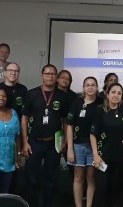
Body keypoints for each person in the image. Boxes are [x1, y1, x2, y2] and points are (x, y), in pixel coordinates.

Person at [21, 64, 69, 207]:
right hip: (34, 142)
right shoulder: (32, 93)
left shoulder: (62, 96)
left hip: (53, 143)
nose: (50, 76)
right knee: (32, 178)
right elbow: (24, 118)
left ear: (56, 77)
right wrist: (25, 141)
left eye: (53, 74)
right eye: (47, 73)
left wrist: (65, 140)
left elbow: (65, 120)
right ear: (42, 75)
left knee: (52, 179)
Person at [90, 83, 123, 207]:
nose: (116, 95)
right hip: (103, 157)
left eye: (119, 93)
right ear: (107, 94)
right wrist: (95, 155)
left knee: (114, 189)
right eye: (113, 92)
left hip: (119, 157)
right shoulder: (100, 110)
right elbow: (93, 134)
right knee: (101, 188)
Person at [66, 77, 103, 207]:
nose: (90, 87)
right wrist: (70, 148)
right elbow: (69, 125)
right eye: (87, 85)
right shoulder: (77, 103)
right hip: (78, 145)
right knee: (78, 177)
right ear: (83, 88)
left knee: (91, 178)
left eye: (93, 85)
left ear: (97, 87)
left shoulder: (102, 103)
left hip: (95, 147)